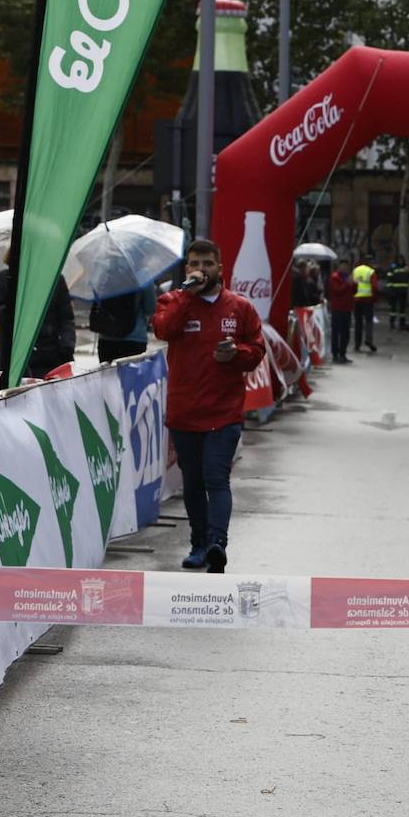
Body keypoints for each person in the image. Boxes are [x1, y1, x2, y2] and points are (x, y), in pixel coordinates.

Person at [150, 239, 265, 574]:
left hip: (224, 412)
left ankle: (217, 544)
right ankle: (198, 543)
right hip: (184, 412)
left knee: (217, 478)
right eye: (194, 264)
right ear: (186, 269)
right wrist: (188, 295)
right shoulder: (172, 300)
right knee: (194, 483)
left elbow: (256, 353)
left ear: (220, 268)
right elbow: (163, 330)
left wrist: (237, 354)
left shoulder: (240, 308)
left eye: (207, 264)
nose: (200, 270)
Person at [0, 248, 77, 380]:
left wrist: (67, 346)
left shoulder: (55, 279)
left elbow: (66, 318)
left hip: (51, 357)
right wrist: (9, 310)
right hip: (14, 357)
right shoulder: (5, 278)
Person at [92, 281, 158, 364]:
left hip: (106, 337)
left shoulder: (106, 274)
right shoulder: (142, 276)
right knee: (132, 375)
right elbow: (150, 308)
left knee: (108, 376)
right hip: (134, 338)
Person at [327, 261, 356, 364]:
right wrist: (347, 284)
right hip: (338, 308)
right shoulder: (335, 277)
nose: (345, 268)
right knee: (336, 332)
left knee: (345, 332)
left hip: (347, 308)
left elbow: (353, 292)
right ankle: (335, 354)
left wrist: (354, 284)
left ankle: (343, 353)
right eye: (343, 266)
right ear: (339, 267)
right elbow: (336, 290)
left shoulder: (347, 277)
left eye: (346, 266)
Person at [352, 254, 379, 353]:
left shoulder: (356, 271)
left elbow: (353, 285)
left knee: (358, 323)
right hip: (368, 300)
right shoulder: (371, 272)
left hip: (357, 300)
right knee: (368, 321)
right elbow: (375, 287)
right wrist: (375, 298)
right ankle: (368, 339)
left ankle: (357, 343)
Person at [387, 254, 409, 330]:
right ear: (397, 260)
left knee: (402, 309)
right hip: (394, 291)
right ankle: (392, 323)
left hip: (403, 291)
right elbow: (389, 278)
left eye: (401, 260)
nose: (400, 261)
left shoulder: (406, 267)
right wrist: (390, 290)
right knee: (393, 308)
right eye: (399, 260)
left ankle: (402, 324)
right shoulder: (393, 267)